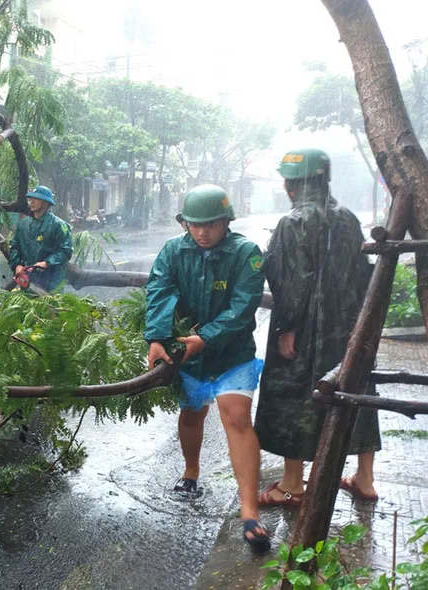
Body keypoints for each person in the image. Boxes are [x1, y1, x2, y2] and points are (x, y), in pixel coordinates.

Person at [144, 184, 270, 552]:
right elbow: (159, 290)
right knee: (191, 415)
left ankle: (250, 511)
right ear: (183, 223)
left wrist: (208, 337)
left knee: (237, 419)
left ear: (226, 222)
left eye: (211, 224)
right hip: (190, 355)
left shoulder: (246, 253)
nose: (202, 232)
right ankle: (191, 473)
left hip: (233, 354)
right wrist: (155, 337)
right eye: (195, 224)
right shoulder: (173, 250)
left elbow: (243, 307)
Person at [256, 149, 381, 506]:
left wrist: (287, 328)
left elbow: (291, 281)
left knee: (295, 394)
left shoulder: (293, 223)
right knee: (354, 392)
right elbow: (362, 275)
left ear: (291, 184)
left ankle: (293, 484)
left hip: (306, 331)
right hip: (348, 330)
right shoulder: (347, 218)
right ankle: (365, 479)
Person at [9, 185, 74, 292]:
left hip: (52, 282)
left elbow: (65, 251)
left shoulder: (59, 225)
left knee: (51, 307)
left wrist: (47, 262)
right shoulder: (23, 225)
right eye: (31, 199)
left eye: (36, 199)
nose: (31, 202)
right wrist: (17, 265)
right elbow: (15, 247)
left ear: (45, 202)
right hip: (28, 282)